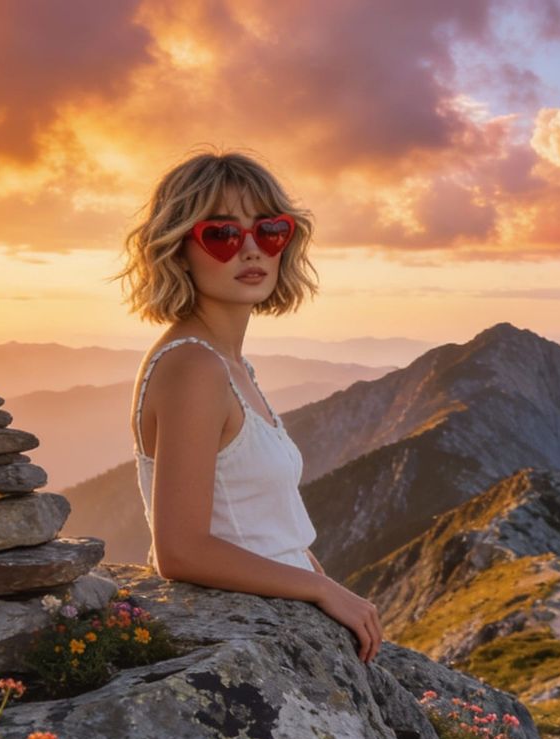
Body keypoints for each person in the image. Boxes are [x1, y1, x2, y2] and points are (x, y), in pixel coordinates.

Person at [120, 150, 381, 664]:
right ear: (177, 250)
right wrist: (323, 592)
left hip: (275, 616)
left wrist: (318, 580)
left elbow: (263, 522)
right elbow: (180, 551)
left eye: (269, 231)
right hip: (246, 637)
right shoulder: (195, 368)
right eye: (221, 234)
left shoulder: (230, 364)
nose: (251, 250)